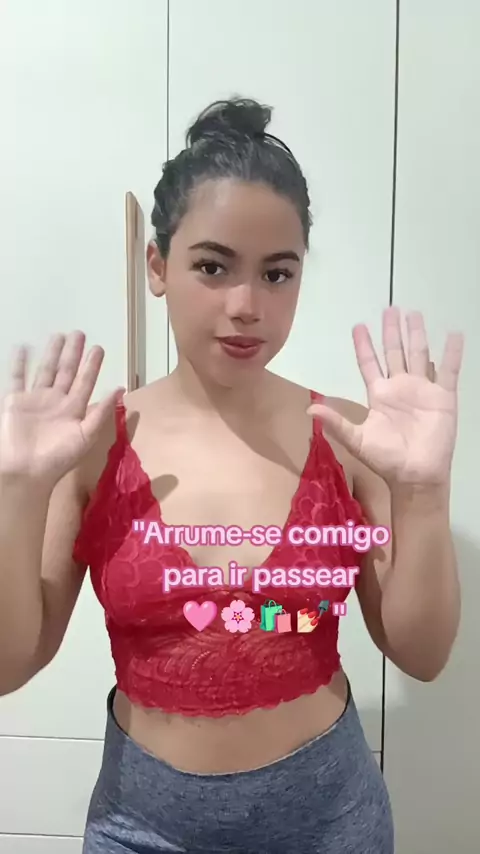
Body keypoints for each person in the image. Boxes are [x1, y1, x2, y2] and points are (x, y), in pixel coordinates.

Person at [0, 97, 463, 853]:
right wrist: (16, 493)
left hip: (328, 824)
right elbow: (8, 664)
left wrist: (424, 494)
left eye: (277, 274)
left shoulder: (352, 438)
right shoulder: (91, 446)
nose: (247, 306)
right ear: (158, 266)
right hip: (141, 826)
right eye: (212, 267)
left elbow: (422, 654)